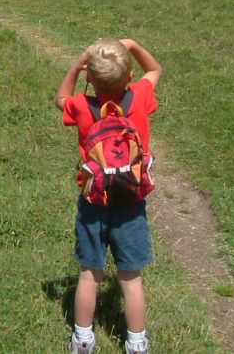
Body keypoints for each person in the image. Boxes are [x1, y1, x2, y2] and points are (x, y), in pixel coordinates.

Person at [55, 38, 162, 354]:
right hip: (131, 203)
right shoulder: (140, 95)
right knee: (131, 280)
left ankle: (83, 339)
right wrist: (134, 45)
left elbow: (61, 98)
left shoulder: (81, 106)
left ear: (90, 78)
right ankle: (137, 343)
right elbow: (155, 69)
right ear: (130, 77)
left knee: (89, 276)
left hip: (93, 203)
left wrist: (76, 66)